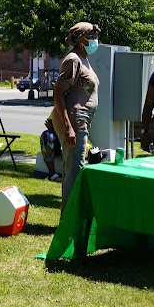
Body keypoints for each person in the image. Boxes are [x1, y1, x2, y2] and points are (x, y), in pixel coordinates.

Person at [52, 21, 101, 214]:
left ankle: (72, 218)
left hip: (82, 120)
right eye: (92, 37)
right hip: (74, 120)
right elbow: (58, 92)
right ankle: (68, 221)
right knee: (74, 171)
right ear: (81, 40)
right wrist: (68, 126)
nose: (95, 41)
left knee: (75, 169)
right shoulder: (73, 59)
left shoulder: (83, 59)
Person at [40, 117, 62, 182]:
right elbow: (50, 121)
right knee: (47, 135)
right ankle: (52, 173)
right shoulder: (58, 109)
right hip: (59, 137)